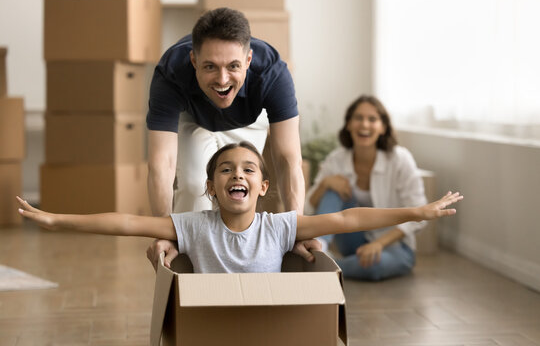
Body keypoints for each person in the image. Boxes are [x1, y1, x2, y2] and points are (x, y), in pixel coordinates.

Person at [17, 142, 462, 273]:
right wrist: (56, 219)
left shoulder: (280, 227)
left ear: (263, 186)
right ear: (210, 188)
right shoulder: (193, 225)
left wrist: (416, 212)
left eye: (249, 169)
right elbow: (128, 222)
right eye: (226, 170)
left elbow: (348, 218)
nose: (238, 176)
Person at [145, 7, 311, 269]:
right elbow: (160, 163)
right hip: (194, 118)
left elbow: (288, 159)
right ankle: (191, 268)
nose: (222, 79)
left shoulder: (273, 74)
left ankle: (243, 261)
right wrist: (163, 235)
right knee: (191, 185)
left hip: (249, 119)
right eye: (210, 66)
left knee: (243, 189)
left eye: (233, 66)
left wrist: (297, 229)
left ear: (248, 60)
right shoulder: (170, 73)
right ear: (193, 60)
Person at [306, 95, 430, 281]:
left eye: (372, 119)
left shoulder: (400, 159)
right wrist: (324, 184)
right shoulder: (336, 159)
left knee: (374, 267)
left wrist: (379, 243)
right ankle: (320, 248)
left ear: (383, 127)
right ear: (348, 124)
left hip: (393, 246)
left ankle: (326, 266)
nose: (364, 125)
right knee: (332, 187)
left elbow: (420, 215)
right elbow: (308, 207)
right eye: (358, 118)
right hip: (352, 241)